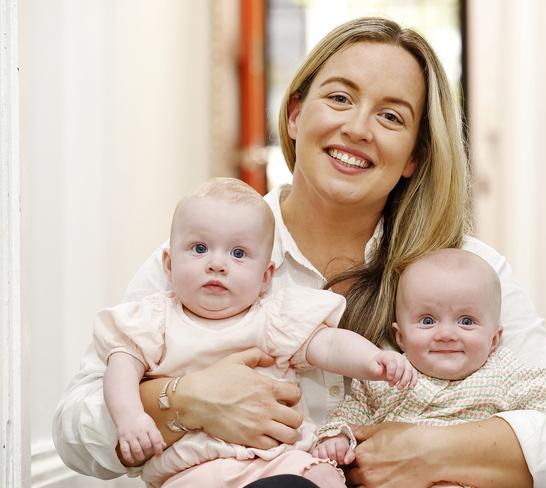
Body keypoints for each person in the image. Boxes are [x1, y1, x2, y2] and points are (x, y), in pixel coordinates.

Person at [53, 17, 546, 487]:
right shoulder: (202, 261)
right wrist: (182, 400)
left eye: (391, 115)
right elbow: (76, 436)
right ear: (295, 115)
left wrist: (429, 450)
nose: (357, 128)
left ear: (414, 155)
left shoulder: (469, 271)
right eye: (339, 97)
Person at [95, 177, 417, 487]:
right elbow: (121, 367)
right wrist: (131, 418)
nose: (217, 264)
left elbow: (329, 345)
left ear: (266, 277)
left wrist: (375, 360)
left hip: (275, 460)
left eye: (238, 254)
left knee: (321, 475)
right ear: (168, 264)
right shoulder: (155, 320)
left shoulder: (274, 318)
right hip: (192, 468)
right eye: (199, 248)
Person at [313, 249, 546, 487]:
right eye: (427, 320)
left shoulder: (504, 374)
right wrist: (335, 438)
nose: (446, 334)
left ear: (494, 338)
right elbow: (350, 414)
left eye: (467, 321)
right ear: (400, 336)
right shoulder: (385, 375)